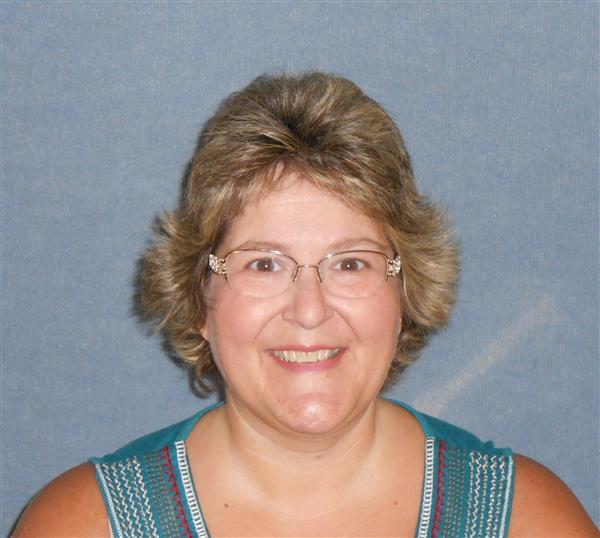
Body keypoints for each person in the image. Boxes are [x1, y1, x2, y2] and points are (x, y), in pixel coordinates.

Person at [14, 72, 598, 538]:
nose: (310, 310)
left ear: (406, 292)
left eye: (351, 263)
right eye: (263, 264)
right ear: (197, 298)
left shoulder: (523, 519)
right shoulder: (86, 525)